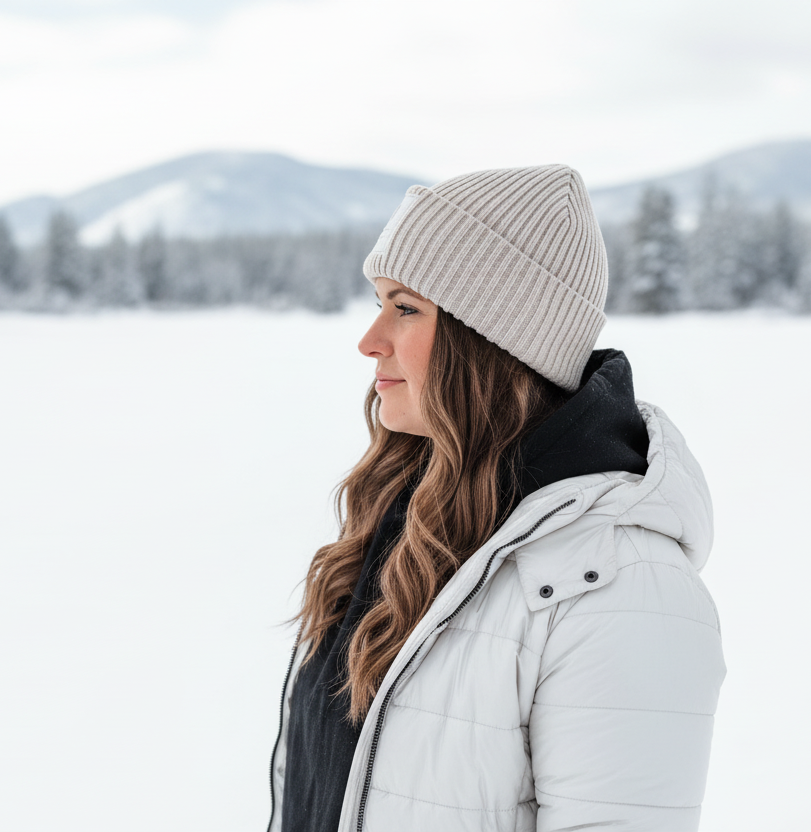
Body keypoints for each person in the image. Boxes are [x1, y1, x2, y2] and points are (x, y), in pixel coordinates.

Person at [268, 165, 725, 832]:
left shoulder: (621, 585)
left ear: (492, 339)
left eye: (405, 308)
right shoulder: (407, 522)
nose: (369, 341)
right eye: (379, 303)